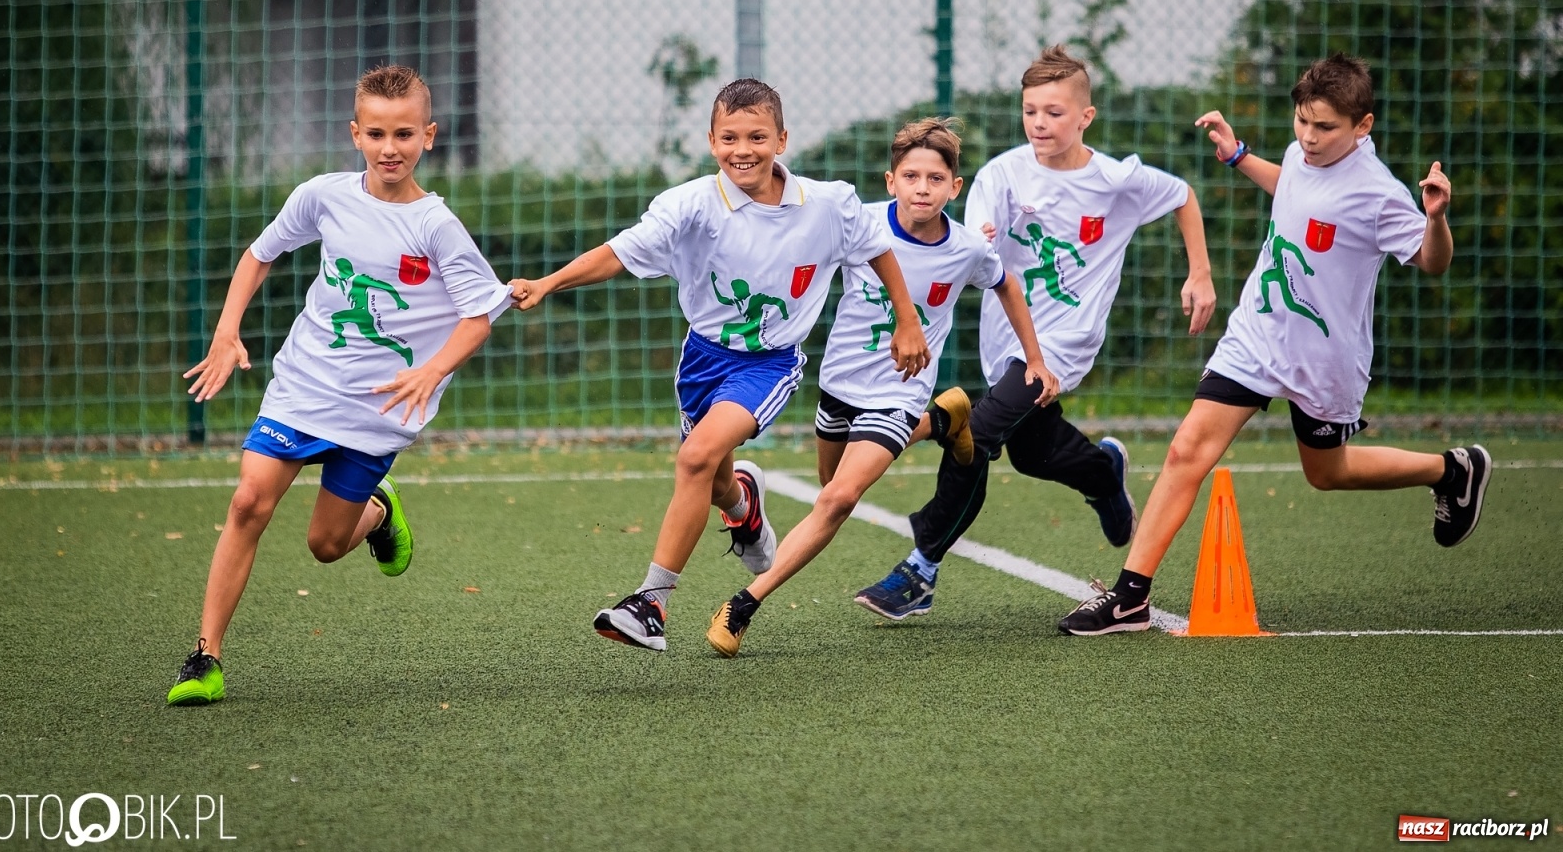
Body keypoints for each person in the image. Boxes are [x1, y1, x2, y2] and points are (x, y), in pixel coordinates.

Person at [1058, 52, 1490, 635]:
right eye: (1302, 122)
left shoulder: (1379, 193)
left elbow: (1433, 262)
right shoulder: (1299, 153)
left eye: (1325, 128)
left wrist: (1435, 218)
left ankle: (1450, 469)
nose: (1309, 138)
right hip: (1256, 336)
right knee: (1187, 448)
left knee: (1327, 472)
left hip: (1325, 358)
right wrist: (1239, 157)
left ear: (1363, 126)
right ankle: (1130, 597)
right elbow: (1293, 188)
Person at [510, 79, 930, 652]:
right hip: (702, 359)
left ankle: (651, 602)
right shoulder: (688, 205)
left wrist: (908, 321)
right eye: (729, 137)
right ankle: (743, 506)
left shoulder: (828, 204)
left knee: (696, 456)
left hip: (769, 363)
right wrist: (549, 282)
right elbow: (618, 251)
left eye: (757, 136)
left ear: (781, 138)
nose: (744, 150)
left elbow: (877, 246)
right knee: (711, 480)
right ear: (711, 141)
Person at [167, 65, 511, 704]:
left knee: (325, 546)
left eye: (404, 134)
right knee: (248, 503)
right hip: (306, 383)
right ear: (355, 134)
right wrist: (226, 332)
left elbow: (481, 312)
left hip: (379, 410)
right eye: (377, 133)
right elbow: (260, 253)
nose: (390, 148)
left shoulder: (436, 226)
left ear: (428, 138)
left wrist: (434, 370)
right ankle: (204, 658)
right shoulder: (323, 196)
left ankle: (379, 510)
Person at [855, 45, 1217, 620]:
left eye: (1053, 112)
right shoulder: (1002, 174)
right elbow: (974, 245)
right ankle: (1103, 474)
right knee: (1033, 453)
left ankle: (920, 569)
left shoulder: (1116, 179)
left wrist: (1199, 272)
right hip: (1009, 344)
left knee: (975, 434)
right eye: (1030, 112)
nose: (1040, 124)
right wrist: (983, 237)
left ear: (1085, 117)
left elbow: (1182, 196)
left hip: (1065, 344)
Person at [705, 117, 1058, 656]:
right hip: (840, 385)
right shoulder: (857, 224)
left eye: (935, 179)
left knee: (840, 499)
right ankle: (944, 420)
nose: (922, 187)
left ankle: (743, 604)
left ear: (953, 188)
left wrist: (1035, 360)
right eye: (911, 176)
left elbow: (1007, 284)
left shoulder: (965, 249)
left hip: (900, 392)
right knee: (829, 486)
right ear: (891, 182)